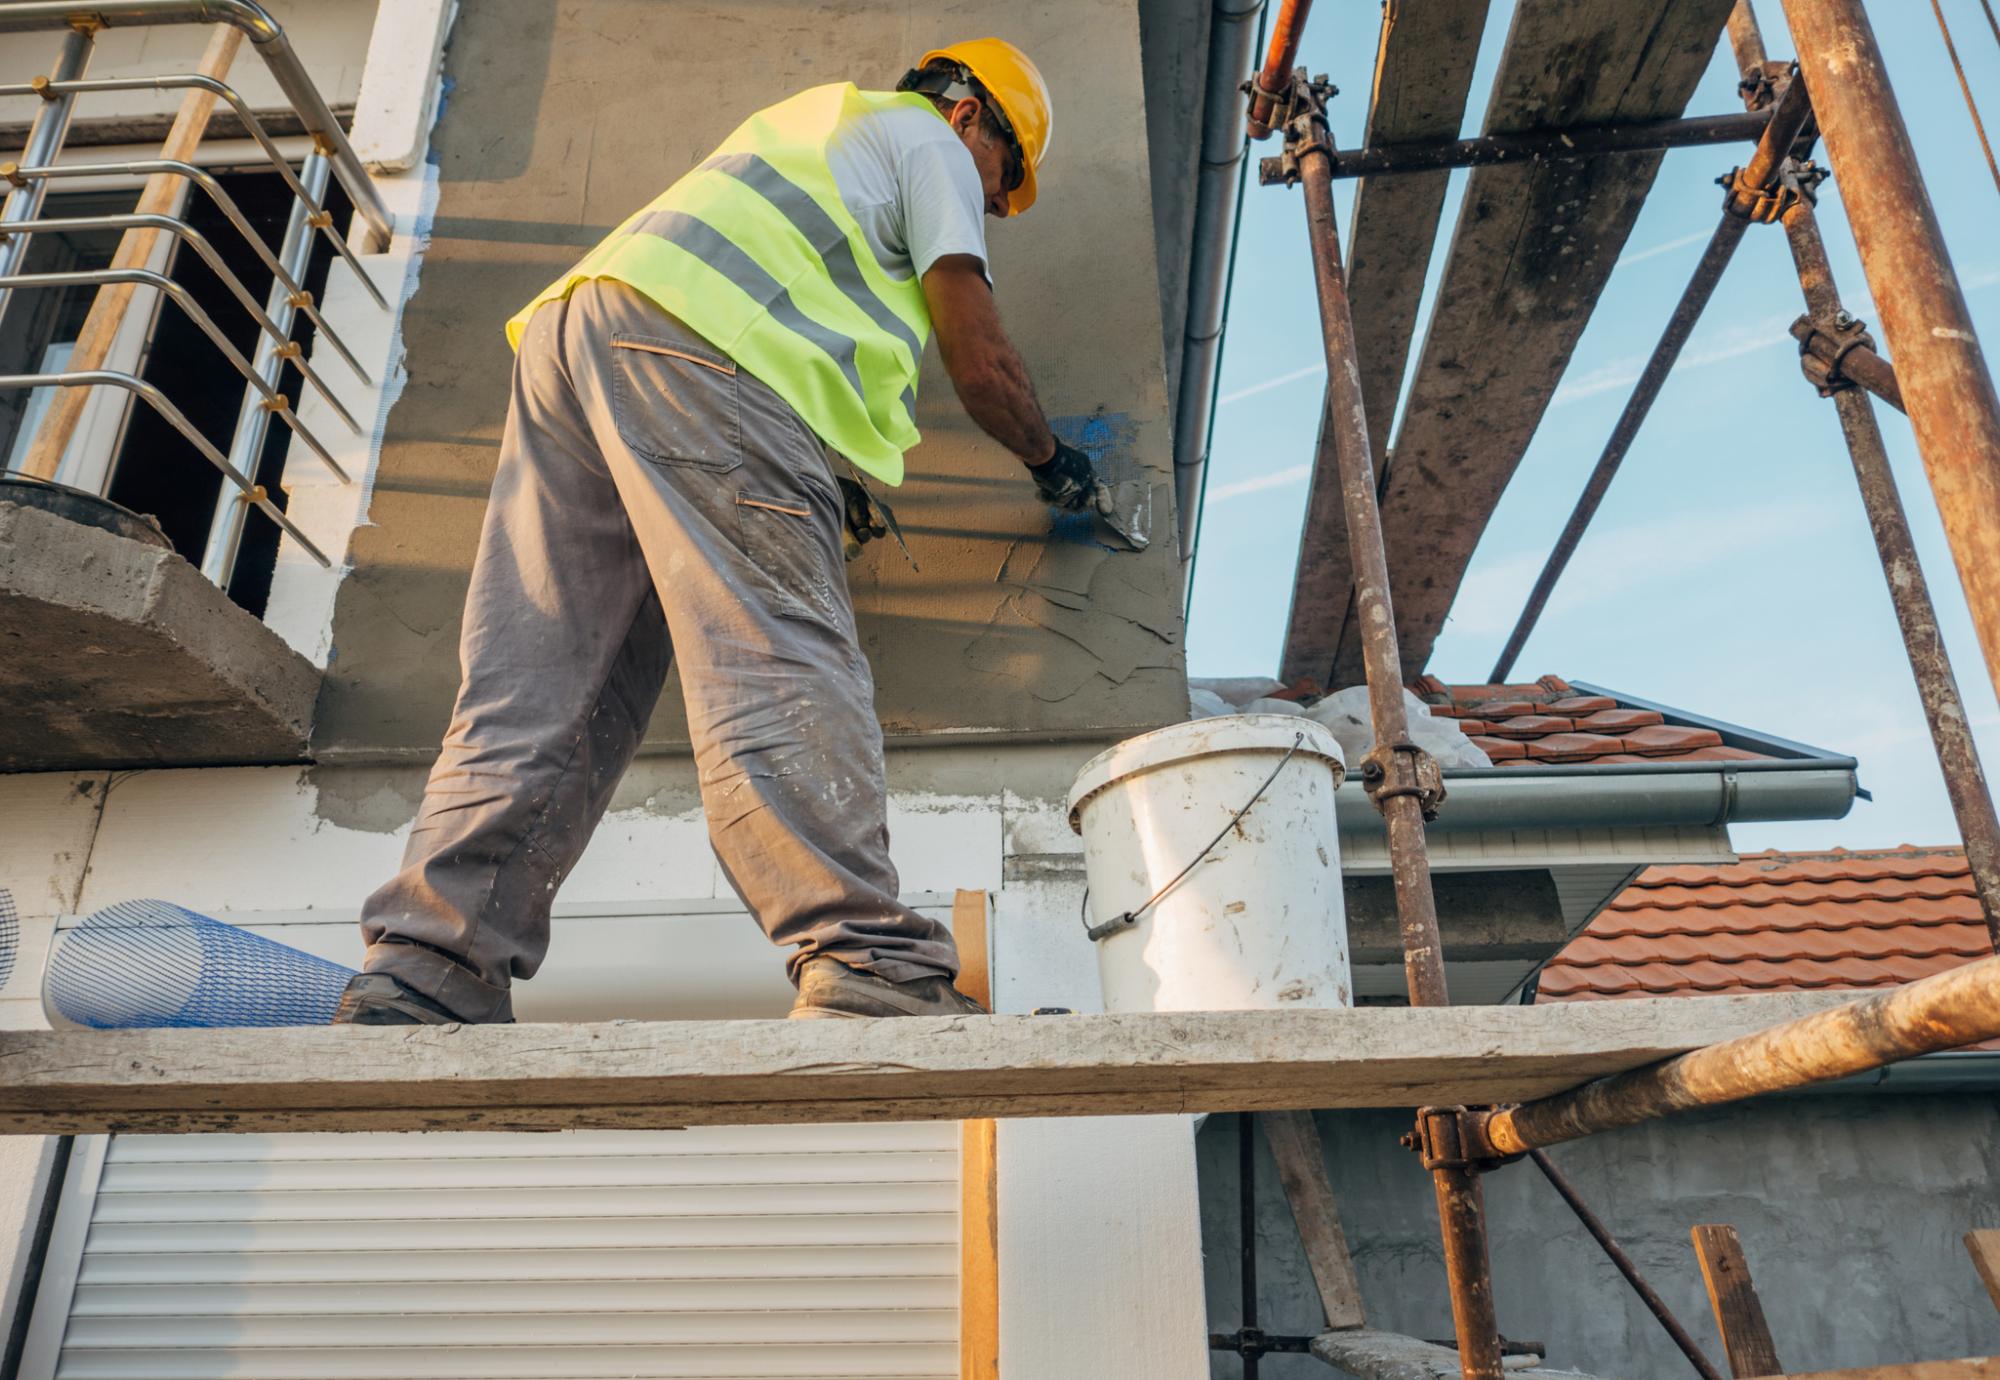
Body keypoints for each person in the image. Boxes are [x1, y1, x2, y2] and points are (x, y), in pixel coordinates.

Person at [332, 40, 1097, 1025]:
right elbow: (975, 349)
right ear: (968, 117)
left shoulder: (815, 129)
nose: (994, 205)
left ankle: (429, 963)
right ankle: (864, 958)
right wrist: (1051, 461)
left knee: (546, 677)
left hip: (580, 340)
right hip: (706, 354)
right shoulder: (926, 142)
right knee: (775, 648)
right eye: (1006, 177)